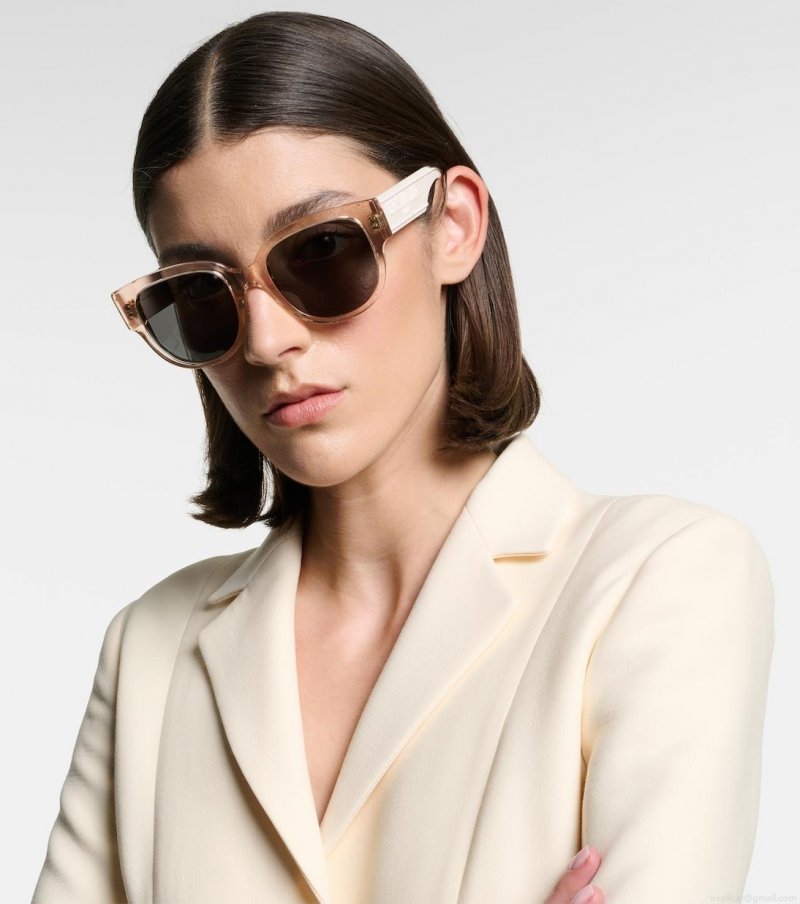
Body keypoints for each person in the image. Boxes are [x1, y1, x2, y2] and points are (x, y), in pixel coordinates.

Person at [31, 11, 774, 904]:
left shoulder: (657, 582)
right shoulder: (149, 650)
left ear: (453, 223)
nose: (266, 341)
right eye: (203, 296)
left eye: (320, 252)